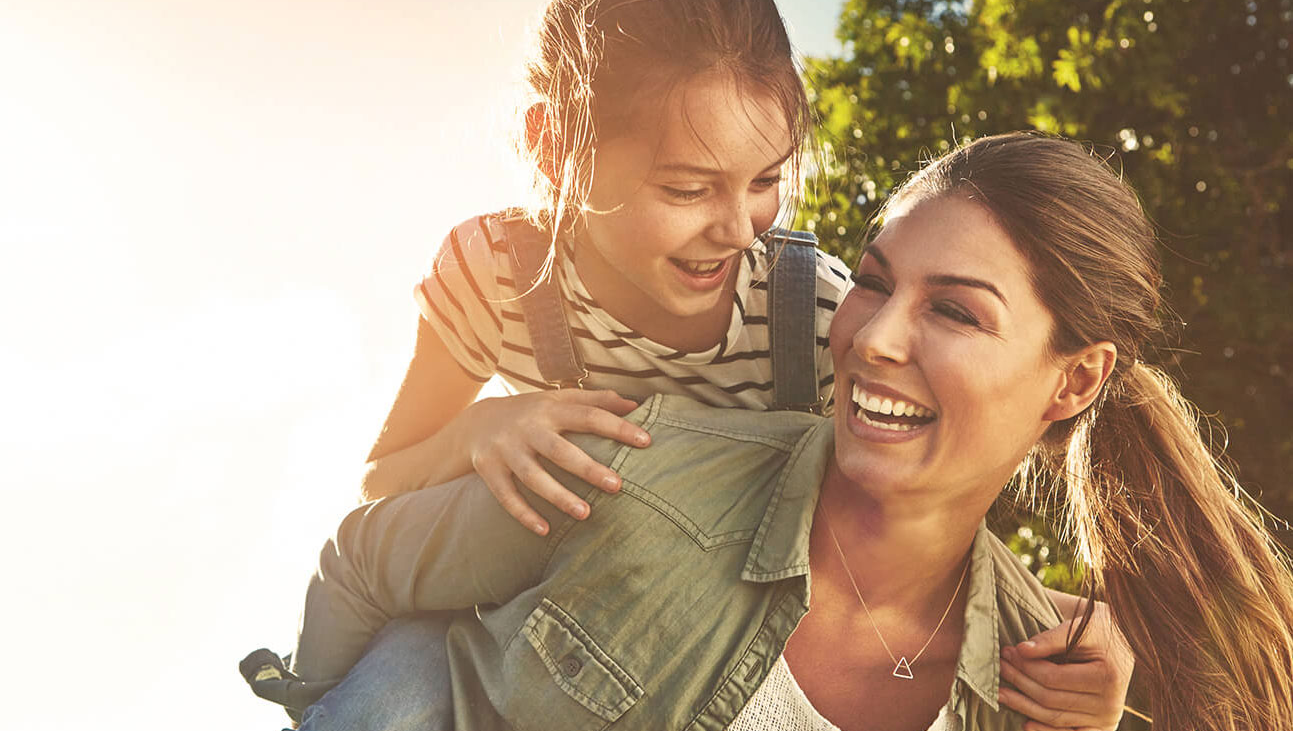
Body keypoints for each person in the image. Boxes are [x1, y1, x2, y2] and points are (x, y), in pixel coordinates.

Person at [269, 133, 1293, 731]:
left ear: (1075, 380)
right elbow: (366, 564)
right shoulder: (643, 473)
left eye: (955, 310)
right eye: (878, 282)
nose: (875, 337)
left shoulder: (1046, 684)